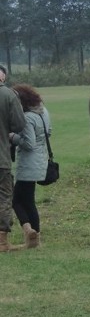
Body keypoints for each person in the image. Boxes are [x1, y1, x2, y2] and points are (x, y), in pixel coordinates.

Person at [8, 84, 50, 249]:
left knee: (16, 199)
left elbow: (28, 143)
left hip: (28, 163)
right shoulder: (43, 112)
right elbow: (49, 132)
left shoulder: (27, 118)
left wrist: (13, 137)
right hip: (41, 159)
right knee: (28, 200)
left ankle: (29, 231)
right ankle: (34, 235)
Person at [0, 64, 26, 251]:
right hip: (1, 157)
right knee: (4, 197)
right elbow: (18, 124)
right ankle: (2, 241)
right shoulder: (8, 95)